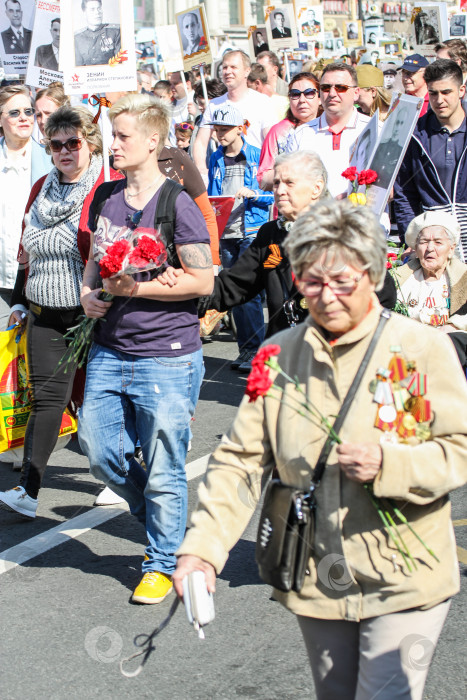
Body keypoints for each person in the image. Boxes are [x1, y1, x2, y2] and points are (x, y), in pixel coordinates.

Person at [173, 198, 467, 700]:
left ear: (373, 274)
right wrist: (203, 549)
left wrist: (390, 465)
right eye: (311, 281)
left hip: (407, 573)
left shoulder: (422, 350)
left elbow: (457, 449)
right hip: (319, 575)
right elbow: (241, 459)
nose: (326, 296)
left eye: (342, 281)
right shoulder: (276, 355)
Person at [77, 94, 213, 604]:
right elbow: (93, 259)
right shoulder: (106, 195)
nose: (113, 145)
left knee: (164, 464)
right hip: (110, 347)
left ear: (153, 142)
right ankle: (160, 516)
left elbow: (202, 280)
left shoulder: (176, 203)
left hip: (167, 353)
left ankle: (160, 560)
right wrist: (88, 293)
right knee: (98, 450)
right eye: (113, 136)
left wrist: (140, 290)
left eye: (123, 137)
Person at [0, 106, 119, 518]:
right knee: (47, 400)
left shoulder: (107, 187)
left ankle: (117, 477)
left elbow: (116, 250)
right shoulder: (40, 188)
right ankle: (27, 491)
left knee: (100, 401)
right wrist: (18, 300)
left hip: (93, 313)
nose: (65, 150)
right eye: (56, 144)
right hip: (43, 311)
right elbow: (25, 252)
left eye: (73, 142)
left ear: (89, 142)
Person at [197, 151, 395, 339]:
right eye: (276, 183)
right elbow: (234, 286)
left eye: (289, 183)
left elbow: (383, 293)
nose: (280, 191)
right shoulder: (271, 233)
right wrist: (184, 289)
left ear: (317, 188)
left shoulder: (344, 230)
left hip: (334, 354)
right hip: (286, 353)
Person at [207, 103, 273, 372]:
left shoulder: (258, 156)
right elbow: (211, 194)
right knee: (234, 294)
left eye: (225, 129)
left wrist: (255, 194)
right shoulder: (215, 158)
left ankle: (256, 353)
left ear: (240, 128)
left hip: (252, 230)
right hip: (225, 232)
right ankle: (248, 350)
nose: (219, 134)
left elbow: (274, 195)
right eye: (216, 129)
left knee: (250, 295)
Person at [394, 60, 467, 257]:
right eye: (433, 93)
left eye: (446, 92)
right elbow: (404, 192)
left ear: (462, 90)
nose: (439, 100)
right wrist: (411, 237)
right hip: (434, 240)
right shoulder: (415, 134)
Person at [0, 86, 52, 327]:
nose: (24, 117)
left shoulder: (52, 159)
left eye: (28, 111)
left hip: (38, 281)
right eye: (14, 112)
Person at [286, 62, 370, 198]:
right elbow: (290, 184)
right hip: (317, 216)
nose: (332, 93)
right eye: (325, 88)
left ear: (356, 93)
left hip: (364, 216)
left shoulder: (376, 129)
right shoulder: (301, 134)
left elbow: (390, 190)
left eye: (340, 88)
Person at [394, 212, 467, 367]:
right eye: (424, 242)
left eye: (438, 242)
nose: (430, 248)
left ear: (451, 249)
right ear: (415, 248)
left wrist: (453, 326)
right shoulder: (399, 278)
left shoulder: (463, 277)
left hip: (450, 355)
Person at [193, 50, 276, 179]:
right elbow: (200, 143)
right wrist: (202, 171)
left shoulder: (263, 102)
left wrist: (266, 173)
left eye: (234, 67)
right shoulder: (214, 105)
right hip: (224, 173)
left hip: (254, 171)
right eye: (225, 67)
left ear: (247, 71)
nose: (228, 71)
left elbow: (270, 143)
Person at [258, 71, 321, 191]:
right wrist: (290, 174)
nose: (302, 99)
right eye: (295, 94)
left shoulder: (328, 127)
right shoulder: (278, 132)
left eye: (309, 93)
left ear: (320, 98)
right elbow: (263, 178)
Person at [369, 105, 407, 190]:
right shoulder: (381, 146)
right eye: (397, 122)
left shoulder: (402, 150)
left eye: (401, 123)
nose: (398, 127)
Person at [74, 0, 121, 67]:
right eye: (92, 9)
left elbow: (120, 64)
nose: (97, 12)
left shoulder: (115, 32)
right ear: (84, 13)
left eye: (99, 8)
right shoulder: (77, 38)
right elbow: (78, 67)